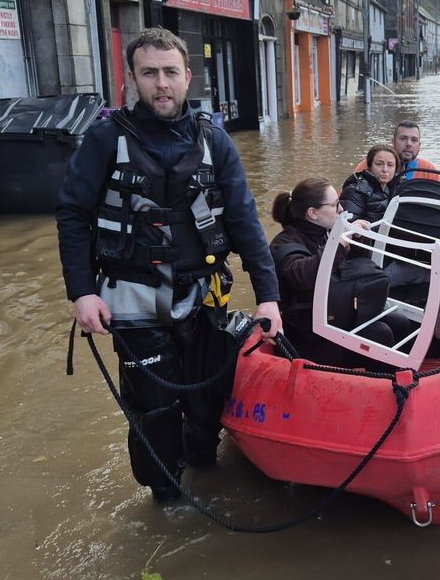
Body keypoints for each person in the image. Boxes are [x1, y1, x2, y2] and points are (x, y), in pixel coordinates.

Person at [57, 27, 282, 504]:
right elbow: (73, 216)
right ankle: (167, 500)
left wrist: (269, 297)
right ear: (133, 79)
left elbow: (244, 221)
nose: (161, 83)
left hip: (202, 298)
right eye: (150, 73)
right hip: (132, 300)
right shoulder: (104, 139)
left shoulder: (215, 142)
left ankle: (204, 471)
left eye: (170, 73)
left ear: (187, 78)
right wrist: (82, 292)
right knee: (155, 410)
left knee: (205, 401)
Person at [270, 178, 410, 367]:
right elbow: (302, 277)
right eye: (335, 205)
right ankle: (386, 387)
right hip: (308, 334)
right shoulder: (284, 243)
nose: (342, 210)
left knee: (400, 322)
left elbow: (353, 269)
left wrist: (357, 239)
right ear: (313, 213)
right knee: (380, 333)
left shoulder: (324, 232)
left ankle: (403, 376)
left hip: (335, 314)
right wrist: (340, 243)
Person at [354, 120, 439, 181]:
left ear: (419, 145)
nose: (408, 144)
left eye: (414, 140)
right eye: (403, 138)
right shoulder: (370, 165)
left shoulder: (430, 172)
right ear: (393, 142)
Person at [341, 144, 399, 222]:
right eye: (379, 164)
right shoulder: (355, 190)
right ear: (369, 166)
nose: (385, 169)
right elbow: (345, 225)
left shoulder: (397, 188)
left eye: (390, 165)